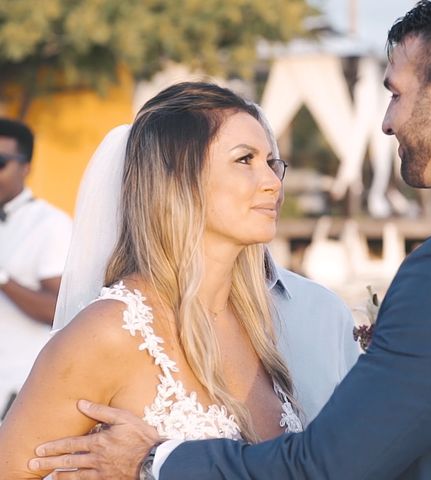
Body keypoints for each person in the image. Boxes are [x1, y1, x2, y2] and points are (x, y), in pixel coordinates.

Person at [29, 1, 431, 479]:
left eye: (395, 92)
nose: (387, 120)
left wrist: (152, 461)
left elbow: (327, 468)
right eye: (246, 160)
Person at [0, 82, 358, 479]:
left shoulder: (263, 323)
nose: (273, 182)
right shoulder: (110, 332)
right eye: (245, 160)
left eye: (272, 163)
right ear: (177, 179)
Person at [0, 118, 72, 420]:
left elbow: (60, 309)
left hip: (18, 388)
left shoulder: (50, 225)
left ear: (26, 167)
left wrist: (3, 279)